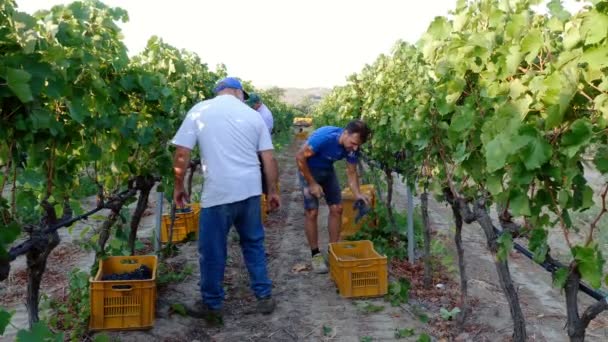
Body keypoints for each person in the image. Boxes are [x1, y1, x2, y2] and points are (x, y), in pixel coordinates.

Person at [171, 77, 281, 321]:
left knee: (212, 250)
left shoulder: (200, 110)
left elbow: (182, 153)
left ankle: (212, 304)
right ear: (237, 92)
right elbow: (269, 159)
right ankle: (264, 297)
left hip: (219, 194)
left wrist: (179, 185)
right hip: (251, 191)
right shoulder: (254, 116)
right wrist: (272, 191)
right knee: (253, 243)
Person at [295, 120, 371, 273]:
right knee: (312, 212)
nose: (355, 147)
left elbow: (351, 172)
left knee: (337, 209)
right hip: (308, 170)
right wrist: (312, 184)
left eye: (358, 145)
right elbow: (300, 158)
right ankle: (315, 254)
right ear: (345, 133)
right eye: (353, 143)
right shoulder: (324, 139)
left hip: (327, 171)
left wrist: (357, 194)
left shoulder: (352, 148)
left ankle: (333, 250)